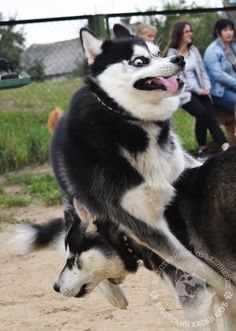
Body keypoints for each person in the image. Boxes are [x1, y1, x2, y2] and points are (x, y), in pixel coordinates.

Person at [163, 21, 230, 161]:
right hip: (185, 92)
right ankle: (206, 147)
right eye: (187, 31)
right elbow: (178, 79)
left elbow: (203, 71)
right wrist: (198, 90)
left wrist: (207, 87)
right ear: (179, 34)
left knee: (210, 116)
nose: (190, 34)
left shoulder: (193, 51)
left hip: (202, 90)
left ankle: (224, 147)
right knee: (201, 113)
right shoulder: (172, 54)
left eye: (191, 31)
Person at [204, 19, 236, 115]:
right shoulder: (212, 50)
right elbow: (219, 75)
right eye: (225, 30)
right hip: (220, 91)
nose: (229, 33)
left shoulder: (234, 46)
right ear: (218, 32)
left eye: (231, 29)